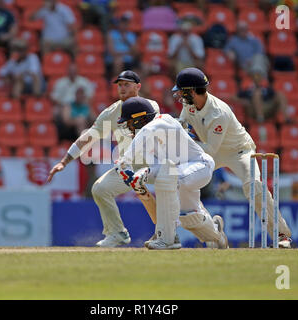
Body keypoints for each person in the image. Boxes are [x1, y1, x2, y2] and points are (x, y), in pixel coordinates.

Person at [173, 67, 292, 248]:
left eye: (182, 91)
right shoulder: (189, 104)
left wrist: (184, 143)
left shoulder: (218, 112)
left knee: (254, 186)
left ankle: (281, 235)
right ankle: (213, 231)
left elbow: (210, 149)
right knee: (180, 180)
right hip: (210, 150)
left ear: (192, 91)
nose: (180, 96)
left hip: (239, 151)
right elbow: (184, 125)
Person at [47, 70, 160, 247]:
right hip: (129, 166)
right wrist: (64, 161)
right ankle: (117, 233)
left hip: (156, 162)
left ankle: (199, 229)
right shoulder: (111, 113)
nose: (122, 88)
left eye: (127, 84)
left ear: (138, 87)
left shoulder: (151, 106)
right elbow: (88, 137)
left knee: (172, 192)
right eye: (120, 85)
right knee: (100, 189)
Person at [115, 96, 228, 250]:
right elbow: (158, 168)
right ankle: (217, 234)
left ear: (139, 119)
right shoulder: (148, 143)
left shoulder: (164, 120)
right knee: (190, 218)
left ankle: (167, 238)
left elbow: (149, 130)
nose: (128, 128)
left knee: (167, 176)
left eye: (129, 123)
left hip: (200, 166)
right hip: (180, 176)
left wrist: (125, 160)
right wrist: (142, 174)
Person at [106, 14, 139, 79]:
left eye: (126, 23)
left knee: (143, 67)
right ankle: (116, 82)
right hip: (115, 59)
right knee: (118, 61)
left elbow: (136, 53)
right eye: (122, 23)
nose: (124, 25)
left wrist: (127, 41)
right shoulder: (111, 34)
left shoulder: (132, 35)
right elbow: (112, 52)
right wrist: (127, 52)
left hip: (130, 60)